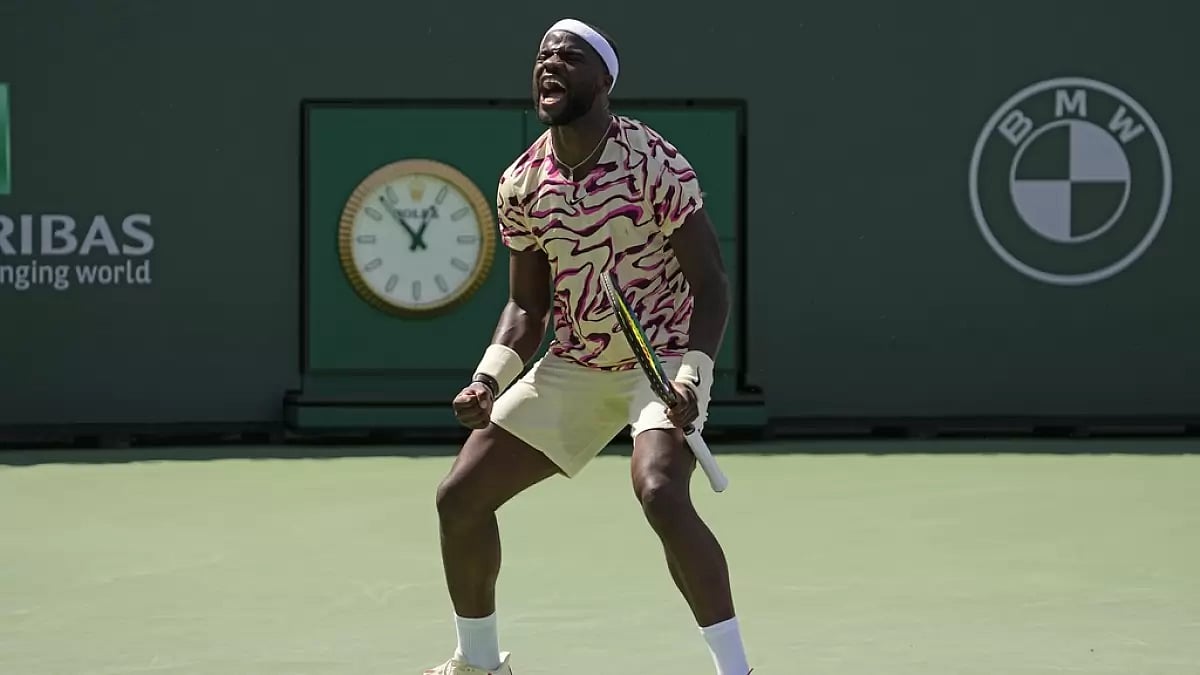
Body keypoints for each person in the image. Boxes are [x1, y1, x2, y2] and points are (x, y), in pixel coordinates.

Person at [424, 17, 751, 675]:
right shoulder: (521, 183)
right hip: (575, 363)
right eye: (543, 56)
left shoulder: (653, 163)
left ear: (604, 79)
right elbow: (527, 306)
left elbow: (711, 285)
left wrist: (692, 376)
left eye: (569, 57)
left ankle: (736, 670)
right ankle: (480, 664)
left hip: (660, 361)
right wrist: (488, 379)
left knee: (659, 489)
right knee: (459, 495)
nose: (550, 64)